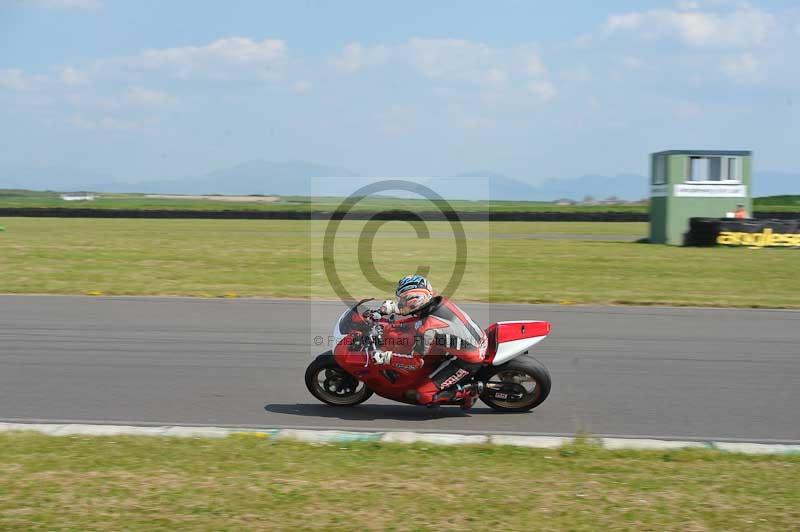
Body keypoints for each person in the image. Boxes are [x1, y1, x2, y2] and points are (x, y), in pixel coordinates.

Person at [370, 275, 487, 409]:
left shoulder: (427, 329)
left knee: (424, 395)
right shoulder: (437, 300)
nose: (400, 303)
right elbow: (414, 311)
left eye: (402, 300)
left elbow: (414, 362)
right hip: (473, 338)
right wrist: (393, 308)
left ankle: (470, 390)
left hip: (470, 359)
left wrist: (386, 357)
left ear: (415, 301)